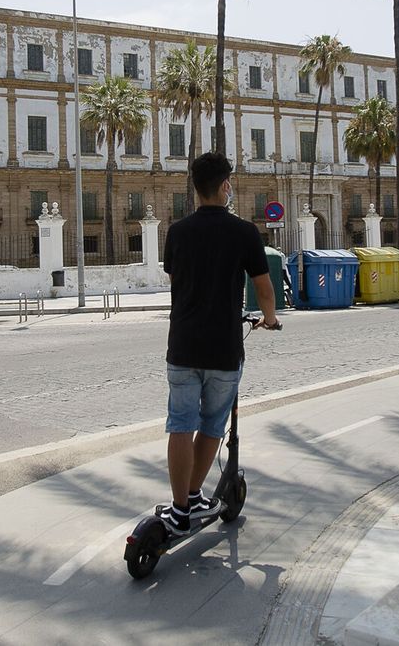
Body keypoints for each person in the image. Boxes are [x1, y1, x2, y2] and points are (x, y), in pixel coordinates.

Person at [158, 151, 280, 536]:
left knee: (180, 424)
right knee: (212, 425)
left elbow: (176, 281)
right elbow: (264, 289)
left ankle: (181, 508)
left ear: (195, 188)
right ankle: (194, 494)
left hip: (182, 345)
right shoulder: (244, 232)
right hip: (224, 349)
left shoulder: (177, 232)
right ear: (226, 185)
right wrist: (270, 319)